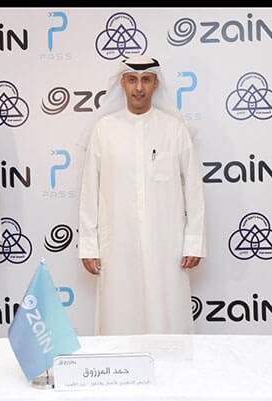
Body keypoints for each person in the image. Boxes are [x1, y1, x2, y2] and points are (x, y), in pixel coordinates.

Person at [78, 55, 206, 335]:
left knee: (167, 313)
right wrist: (88, 245)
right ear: (122, 83)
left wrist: (194, 243)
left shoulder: (174, 129)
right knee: (119, 313)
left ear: (155, 83)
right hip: (116, 243)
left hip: (167, 244)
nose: (139, 87)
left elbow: (194, 190)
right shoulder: (104, 129)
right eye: (132, 80)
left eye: (146, 80)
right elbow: (89, 191)